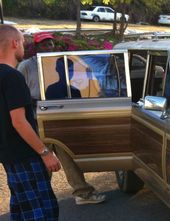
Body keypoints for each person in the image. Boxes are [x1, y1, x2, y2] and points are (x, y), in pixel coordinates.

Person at [0, 25, 77, 221]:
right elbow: (19, 121)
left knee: (22, 207)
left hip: (9, 154)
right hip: (25, 154)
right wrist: (45, 152)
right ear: (13, 44)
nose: (24, 46)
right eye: (22, 42)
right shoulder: (12, 77)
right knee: (42, 209)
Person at [18, 31, 106, 205]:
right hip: (37, 118)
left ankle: (82, 193)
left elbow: (76, 88)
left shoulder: (62, 62)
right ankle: (39, 197)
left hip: (60, 116)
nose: (48, 47)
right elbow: (19, 93)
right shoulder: (27, 66)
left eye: (50, 44)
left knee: (67, 154)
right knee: (42, 157)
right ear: (36, 47)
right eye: (44, 44)